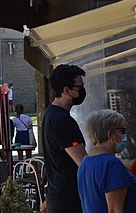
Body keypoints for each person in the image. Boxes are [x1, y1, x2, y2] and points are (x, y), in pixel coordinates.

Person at [76, 109, 136, 213]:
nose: (124, 135)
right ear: (110, 134)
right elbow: (114, 210)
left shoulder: (85, 163)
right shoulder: (111, 165)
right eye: (122, 131)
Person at [42, 63, 88, 213]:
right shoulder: (63, 121)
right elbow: (84, 163)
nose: (82, 91)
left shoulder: (50, 113)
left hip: (58, 197)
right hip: (69, 201)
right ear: (66, 90)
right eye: (79, 88)